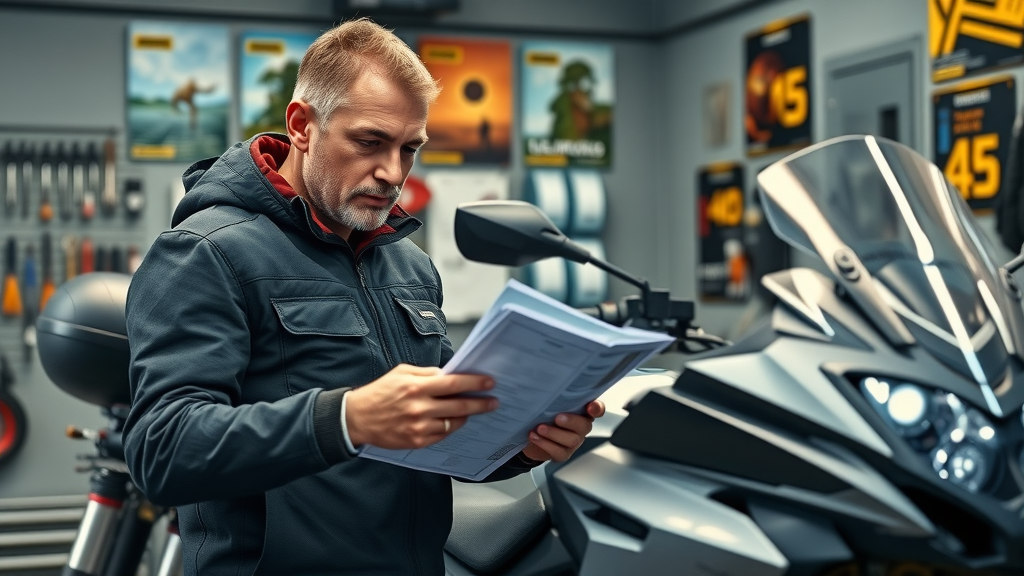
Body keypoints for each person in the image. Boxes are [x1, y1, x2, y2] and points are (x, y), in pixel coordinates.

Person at [123, 18, 604, 576]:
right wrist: (347, 418)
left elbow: (443, 438)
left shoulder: (409, 265)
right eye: (370, 142)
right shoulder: (206, 252)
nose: (392, 172)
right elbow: (161, 451)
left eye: (410, 149)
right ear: (302, 125)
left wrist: (526, 444)